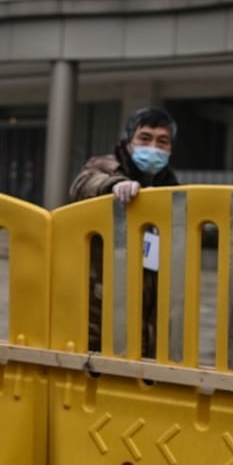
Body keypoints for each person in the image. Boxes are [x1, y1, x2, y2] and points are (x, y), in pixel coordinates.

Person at [69, 107, 180, 356]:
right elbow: (84, 183)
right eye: (145, 138)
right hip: (101, 300)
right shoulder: (106, 166)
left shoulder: (171, 186)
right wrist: (116, 186)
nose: (153, 147)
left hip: (148, 304)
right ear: (129, 141)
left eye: (162, 141)